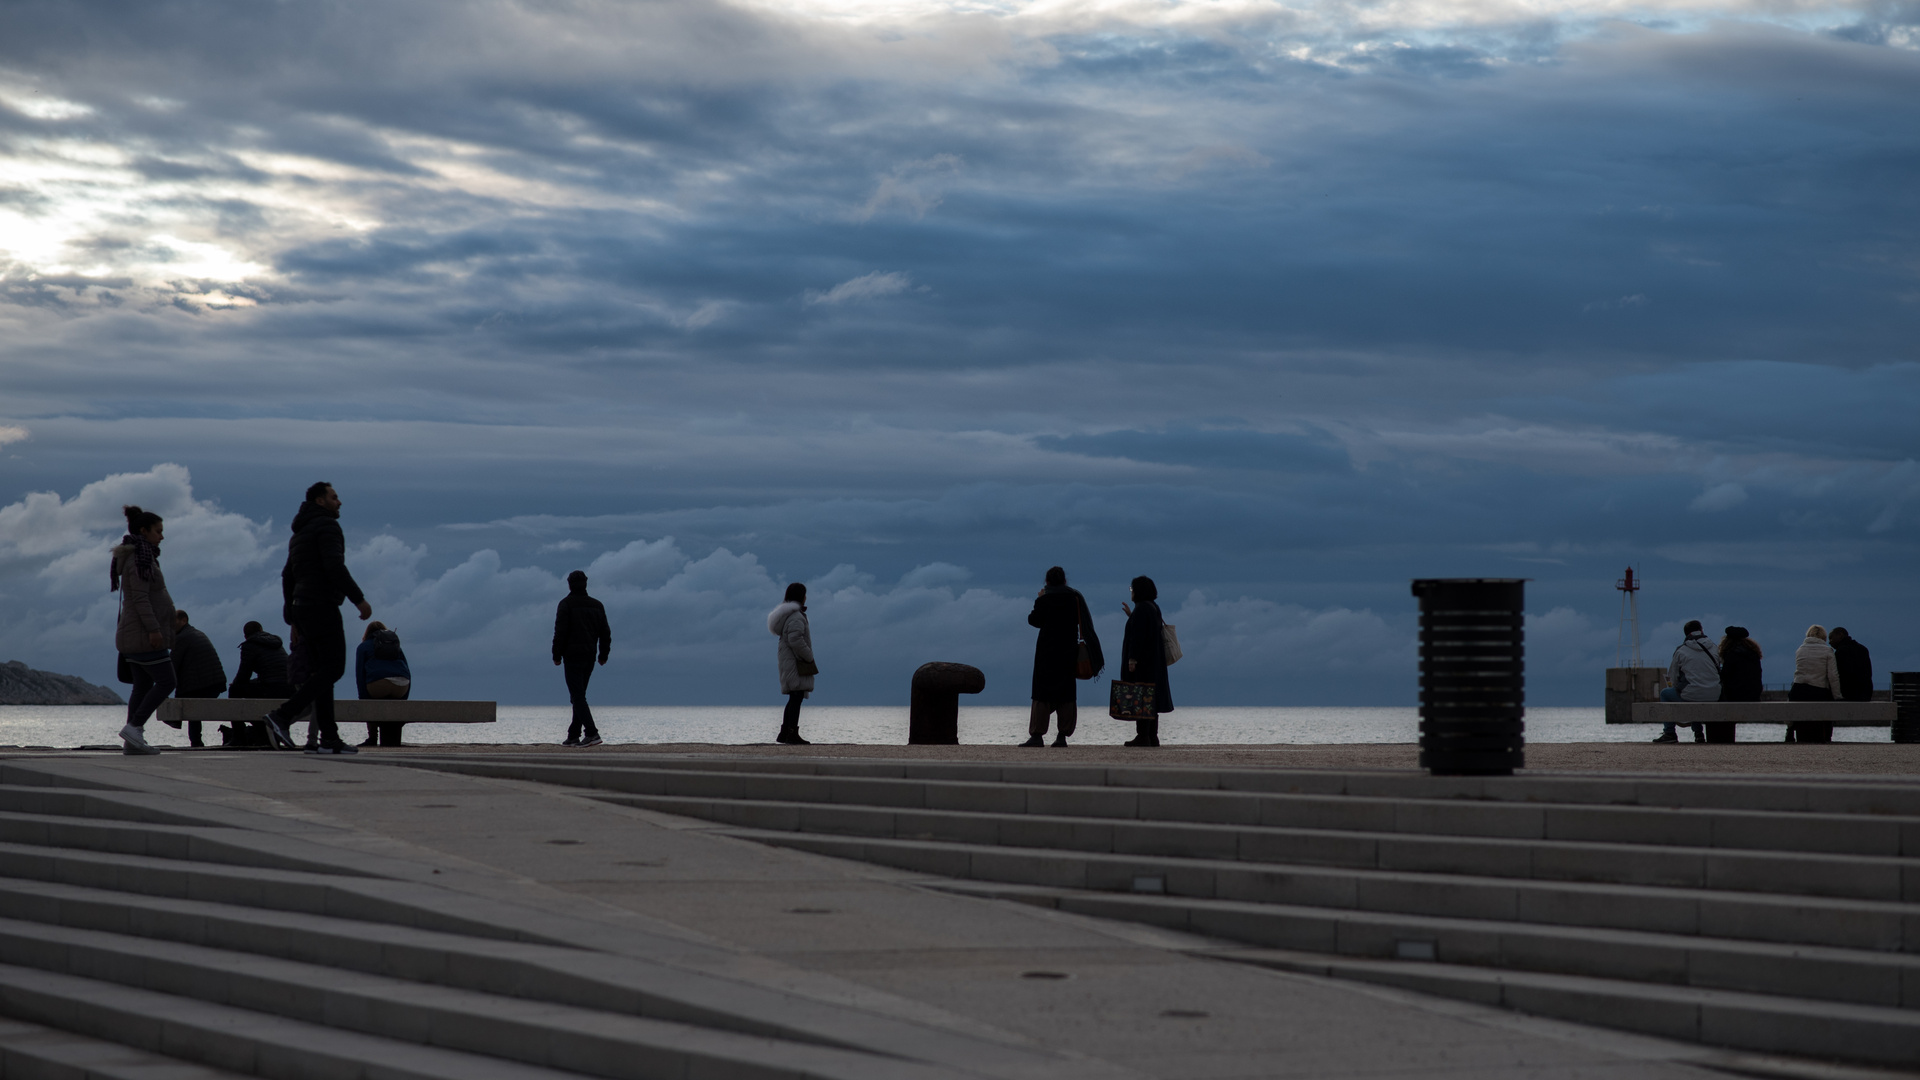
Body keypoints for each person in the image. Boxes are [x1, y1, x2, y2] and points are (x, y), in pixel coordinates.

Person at [263, 482, 371, 755]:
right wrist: (358, 599)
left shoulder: (299, 533)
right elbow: (334, 565)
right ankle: (283, 715)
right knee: (334, 668)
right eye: (335, 497)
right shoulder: (327, 526)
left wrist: (292, 618)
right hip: (321, 605)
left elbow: (288, 576)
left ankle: (329, 739)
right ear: (320, 501)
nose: (340, 502)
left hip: (303, 607)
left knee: (322, 672)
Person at [110, 505, 175, 755]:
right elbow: (140, 598)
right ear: (143, 530)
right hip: (143, 636)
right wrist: (154, 629)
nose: (162, 536)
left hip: (135, 635)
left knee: (142, 684)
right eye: (158, 531)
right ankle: (135, 727)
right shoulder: (140, 558)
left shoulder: (143, 556)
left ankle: (132, 742)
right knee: (167, 680)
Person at [1023, 566, 1103, 747]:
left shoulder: (1044, 599)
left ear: (1047, 581)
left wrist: (1039, 598)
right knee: (1066, 694)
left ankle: (1037, 735)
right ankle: (1062, 736)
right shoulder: (1074, 598)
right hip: (1068, 650)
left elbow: (1034, 620)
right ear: (1065, 581)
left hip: (1046, 652)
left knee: (1042, 694)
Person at [552, 570, 610, 747]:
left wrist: (556, 654)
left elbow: (560, 632)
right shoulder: (597, 605)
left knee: (577, 697)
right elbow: (605, 633)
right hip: (590, 656)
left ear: (569, 584)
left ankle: (592, 733)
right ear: (586, 583)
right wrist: (603, 654)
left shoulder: (566, 604)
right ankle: (573, 735)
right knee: (579, 696)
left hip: (572, 656)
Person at [1119, 575, 1173, 747]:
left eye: (1132, 589)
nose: (1131, 592)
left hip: (1143, 663)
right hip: (1154, 662)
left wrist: (1132, 659)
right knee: (1151, 699)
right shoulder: (1153, 607)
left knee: (1141, 697)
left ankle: (1143, 736)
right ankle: (1152, 736)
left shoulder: (1142, 609)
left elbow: (1138, 637)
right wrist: (1131, 616)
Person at [169, 610, 228, 748]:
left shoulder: (183, 637)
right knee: (190, 703)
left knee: (190, 705)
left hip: (204, 684)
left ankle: (194, 740)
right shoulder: (194, 633)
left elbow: (172, 665)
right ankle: (194, 740)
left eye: (174, 621)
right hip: (213, 683)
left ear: (184, 620)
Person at [1654, 620, 1719, 743]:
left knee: (1667, 693)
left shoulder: (1681, 651)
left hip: (1692, 694)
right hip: (1714, 694)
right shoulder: (1714, 648)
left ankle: (1669, 733)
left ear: (1686, 634)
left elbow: (1672, 677)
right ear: (1701, 630)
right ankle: (1699, 735)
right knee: (1694, 691)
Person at [768, 582, 815, 745]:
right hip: (795, 662)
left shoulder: (790, 616)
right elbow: (795, 639)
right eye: (805, 594)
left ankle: (785, 732)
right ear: (801, 597)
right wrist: (808, 656)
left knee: (794, 696)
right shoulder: (796, 616)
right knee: (796, 697)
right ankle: (791, 733)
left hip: (789, 661)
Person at [355, 620, 412, 747]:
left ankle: (372, 738)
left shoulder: (363, 646)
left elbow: (360, 675)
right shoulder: (396, 645)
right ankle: (391, 738)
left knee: (370, 701)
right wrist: (404, 698)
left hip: (378, 684)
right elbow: (407, 671)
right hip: (402, 685)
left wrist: (364, 700)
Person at [1786, 624, 1841, 744]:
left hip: (1798, 689)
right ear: (1823, 637)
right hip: (1818, 690)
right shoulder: (1827, 651)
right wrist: (1837, 696)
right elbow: (1833, 676)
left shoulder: (1800, 650)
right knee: (1825, 714)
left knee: (1795, 710)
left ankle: (1790, 730)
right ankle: (1825, 737)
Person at [228, 621, 292, 699]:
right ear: (261, 629)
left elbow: (244, 675)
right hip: (290, 685)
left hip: (271, 688)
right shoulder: (275, 642)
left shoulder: (249, 646)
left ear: (245, 636)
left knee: (234, 689)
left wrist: (235, 684)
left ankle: (234, 711)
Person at [1830, 627, 1874, 703]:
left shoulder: (1840, 652)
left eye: (1831, 638)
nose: (1829, 642)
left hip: (1848, 695)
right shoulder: (1863, 649)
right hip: (1865, 694)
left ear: (1840, 635)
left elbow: (1838, 675)